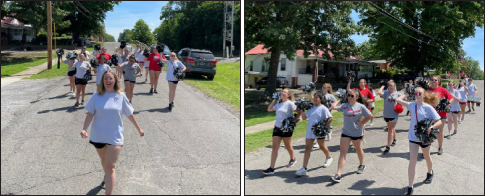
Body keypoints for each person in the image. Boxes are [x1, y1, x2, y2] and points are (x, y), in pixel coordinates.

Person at [80, 70, 144, 195]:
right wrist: (84, 128)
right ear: (102, 81)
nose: (108, 81)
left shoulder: (120, 96)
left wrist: (139, 128)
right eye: (106, 79)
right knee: (104, 161)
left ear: (115, 80)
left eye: (110, 79)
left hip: (115, 136)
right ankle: (106, 176)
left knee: (110, 167)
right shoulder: (96, 95)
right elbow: (90, 114)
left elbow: (129, 114)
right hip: (98, 135)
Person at [395, 87, 442, 195]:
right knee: (412, 160)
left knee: (426, 156)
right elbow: (398, 100)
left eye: (419, 93)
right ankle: (410, 186)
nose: (417, 94)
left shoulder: (428, 108)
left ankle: (430, 172)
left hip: (425, 137)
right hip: (413, 137)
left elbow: (439, 121)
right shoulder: (411, 105)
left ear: (424, 95)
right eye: (416, 93)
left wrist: (431, 128)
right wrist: (406, 94)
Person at [330, 89, 373, 183]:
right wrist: (340, 100)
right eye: (349, 95)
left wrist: (362, 123)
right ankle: (338, 174)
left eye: (352, 96)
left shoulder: (361, 106)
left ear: (357, 97)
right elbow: (333, 107)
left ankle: (361, 165)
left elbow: (370, 115)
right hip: (346, 132)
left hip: (356, 133)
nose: (349, 97)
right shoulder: (345, 106)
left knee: (358, 149)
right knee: (342, 152)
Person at [262, 88, 300, 175]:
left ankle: (292, 158)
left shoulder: (290, 104)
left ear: (288, 95)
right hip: (277, 127)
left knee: (287, 146)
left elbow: (299, 111)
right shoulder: (279, 103)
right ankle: (271, 168)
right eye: (282, 91)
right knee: (275, 147)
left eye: (285, 92)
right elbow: (269, 109)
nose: (282, 93)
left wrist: (294, 121)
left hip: (286, 128)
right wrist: (274, 100)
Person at [295, 91, 333, 176]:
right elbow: (304, 118)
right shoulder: (311, 108)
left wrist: (324, 127)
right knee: (307, 148)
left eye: (317, 97)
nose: (315, 99)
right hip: (310, 130)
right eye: (314, 97)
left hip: (319, 131)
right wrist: (302, 110)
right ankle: (304, 168)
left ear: (320, 99)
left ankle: (328, 157)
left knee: (321, 146)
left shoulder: (323, 108)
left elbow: (330, 118)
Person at [427, 75, 453, 155]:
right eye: (432, 79)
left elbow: (451, 98)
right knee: (428, 131)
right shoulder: (427, 90)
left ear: (438, 81)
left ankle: (440, 147)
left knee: (440, 131)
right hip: (429, 115)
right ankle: (426, 150)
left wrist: (447, 105)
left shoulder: (442, 90)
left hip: (441, 114)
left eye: (435, 80)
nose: (433, 81)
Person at [377, 80, 402, 154]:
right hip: (386, 114)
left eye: (391, 85)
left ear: (394, 87)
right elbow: (379, 92)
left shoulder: (398, 94)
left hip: (394, 114)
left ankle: (388, 147)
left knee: (390, 129)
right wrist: (383, 86)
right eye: (389, 85)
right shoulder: (386, 93)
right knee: (391, 128)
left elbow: (405, 100)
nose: (390, 86)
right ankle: (394, 139)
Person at [347, 78, 374, 143]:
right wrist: (350, 81)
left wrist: (365, 101)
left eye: (362, 82)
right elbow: (348, 90)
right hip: (356, 109)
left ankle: (362, 138)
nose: (361, 83)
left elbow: (373, 99)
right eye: (360, 82)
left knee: (361, 123)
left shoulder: (367, 91)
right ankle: (355, 137)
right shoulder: (356, 90)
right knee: (356, 123)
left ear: (365, 83)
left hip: (364, 109)